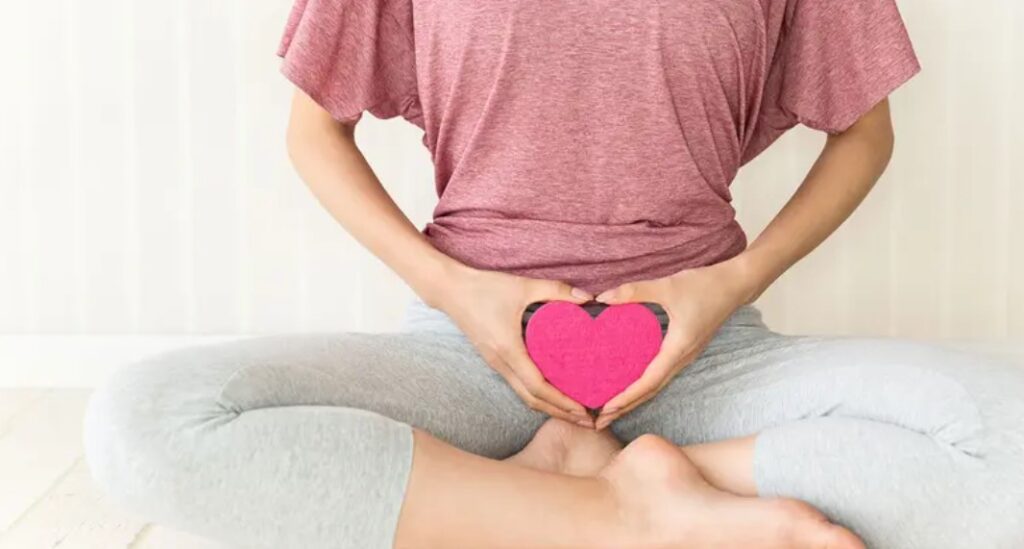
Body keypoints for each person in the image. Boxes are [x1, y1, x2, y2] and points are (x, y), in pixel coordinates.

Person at [84, 0, 1024, 547]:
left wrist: (726, 286)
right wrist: (461, 294)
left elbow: (864, 133)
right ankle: (634, 515)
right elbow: (313, 132)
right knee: (144, 421)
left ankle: (590, 489)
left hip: (708, 358)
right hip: (465, 354)